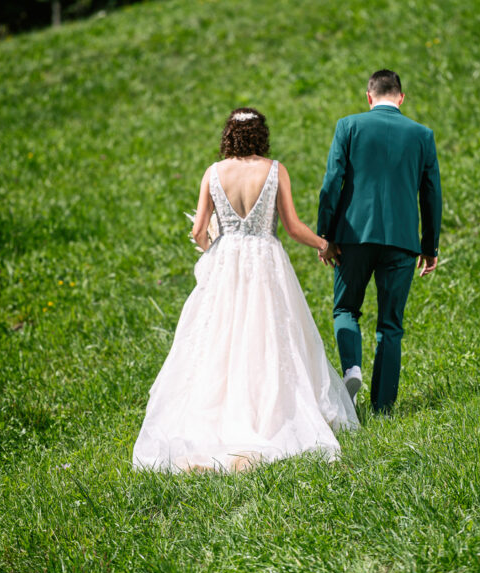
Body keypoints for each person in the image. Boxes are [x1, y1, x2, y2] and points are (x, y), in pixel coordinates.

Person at [132, 108, 358, 474]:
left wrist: (215, 249)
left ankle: (221, 412)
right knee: (269, 334)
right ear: (261, 135)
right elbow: (292, 225)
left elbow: (198, 232)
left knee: (221, 337)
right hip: (265, 260)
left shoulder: (213, 173)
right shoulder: (274, 170)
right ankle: (270, 409)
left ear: (229, 136)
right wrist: (324, 244)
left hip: (227, 261)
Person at [317, 69, 442, 412]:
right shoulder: (422, 135)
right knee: (390, 324)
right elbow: (431, 195)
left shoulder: (348, 126)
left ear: (369, 97)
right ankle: (383, 409)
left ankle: (352, 368)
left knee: (345, 309)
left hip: (353, 237)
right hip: (402, 241)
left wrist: (324, 234)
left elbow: (332, 182)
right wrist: (429, 247)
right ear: (401, 98)